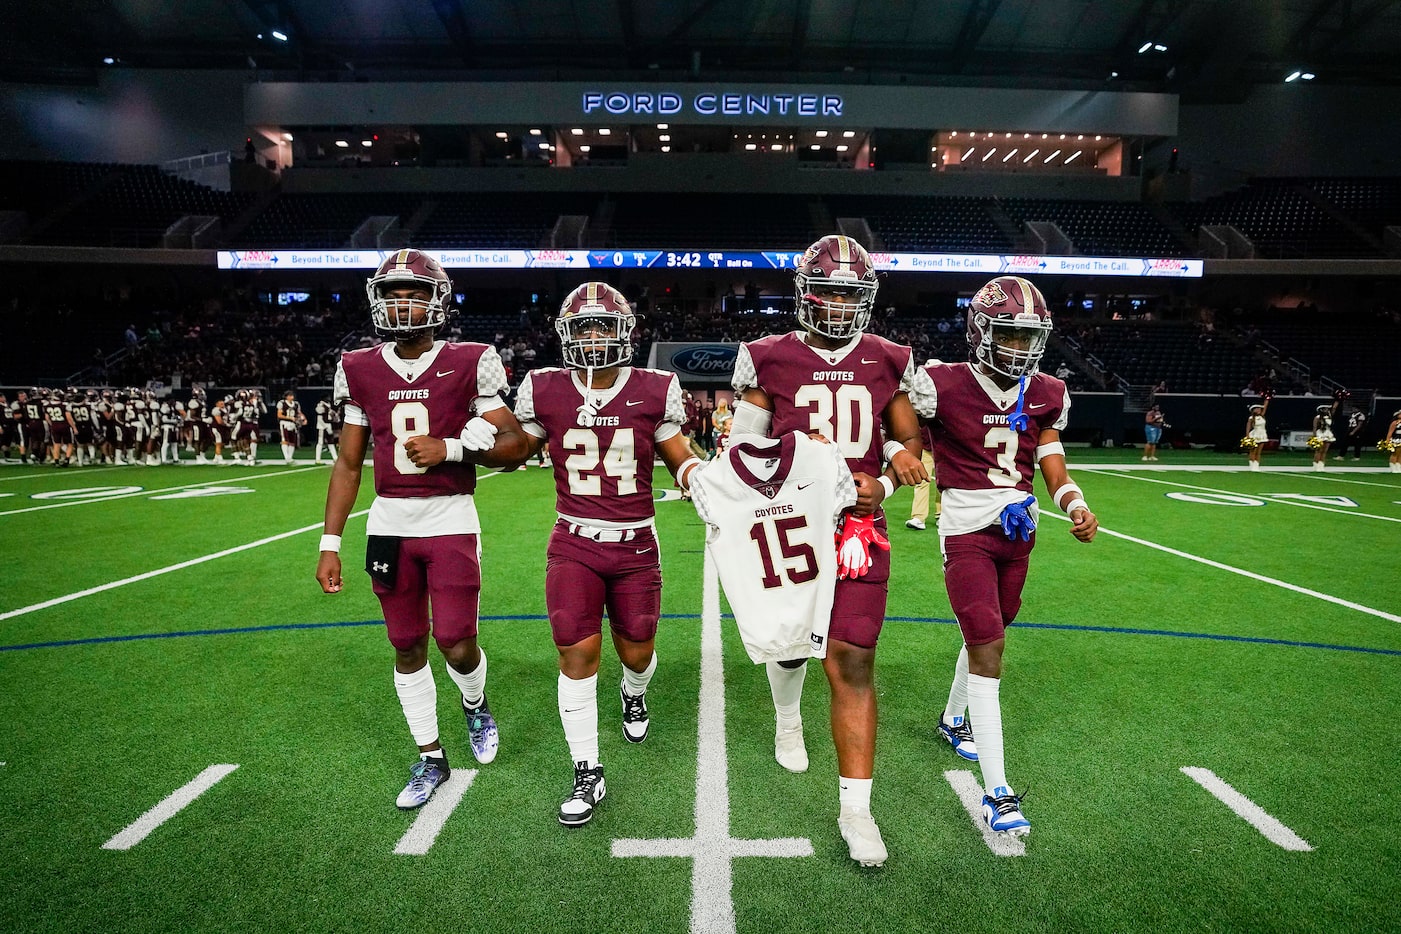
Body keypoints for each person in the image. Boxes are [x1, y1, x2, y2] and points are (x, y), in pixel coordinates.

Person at [729, 234, 928, 867]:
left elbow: (908, 442)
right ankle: (787, 714)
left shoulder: (890, 359)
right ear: (803, 294)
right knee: (791, 647)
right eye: (828, 290)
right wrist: (791, 458)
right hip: (789, 525)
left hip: (857, 529)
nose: (839, 305)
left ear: (867, 299)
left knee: (853, 659)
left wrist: (890, 477)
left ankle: (856, 810)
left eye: (851, 293)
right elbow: (741, 451)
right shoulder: (767, 357)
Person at [316, 249, 529, 810]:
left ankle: (475, 703)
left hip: (451, 517)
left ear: (438, 300)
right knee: (406, 643)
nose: (401, 304)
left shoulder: (472, 360)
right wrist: (330, 542)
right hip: (388, 523)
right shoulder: (357, 366)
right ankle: (431, 756)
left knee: (456, 643)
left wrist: (453, 447)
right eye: (392, 294)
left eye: (412, 293)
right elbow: (348, 464)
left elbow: (514, 448)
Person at [909, 275, 1098, 838]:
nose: (1019, 348)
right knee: (990, 645)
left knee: (990, 631)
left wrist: (1076, 503)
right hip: (966, 530)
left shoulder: (1045, 391)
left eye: (1028, 337)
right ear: (981, 330)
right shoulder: (940, 383)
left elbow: (1052, 464)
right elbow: (910, 442)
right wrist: (895, 473)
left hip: (1019, 532)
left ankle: (951, 718)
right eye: (1010, 335)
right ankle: (998, 790)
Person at [509, 282, 703, 828]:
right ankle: (586, 769)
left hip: (636, 542)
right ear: (566, 336)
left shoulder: (654, 387)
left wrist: (700, 478)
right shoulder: (544, 388)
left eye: (602, 326)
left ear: (623, 332)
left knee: (637, 652)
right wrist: (467, 442)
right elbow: (516, 449)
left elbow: (678, 455)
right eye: (583, 328)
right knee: (576, 656)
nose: (593, 338)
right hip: (573, 540)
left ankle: (634, 692)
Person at [905, 422, 939, 530]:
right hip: (925, 446)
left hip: (942, 447)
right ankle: (919, 518)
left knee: (943, 482)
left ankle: (942, 514)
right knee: (921, 481)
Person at [276, 390, 306, 464]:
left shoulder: (296, 404)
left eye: (292, 395)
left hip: (293, 424)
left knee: (292, 441)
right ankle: (287, 458)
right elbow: (279, 415)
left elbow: (299, 413)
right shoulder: (282, 403)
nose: (292, 397)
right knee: (285, 440)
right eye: (290, 395)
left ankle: (290, 458)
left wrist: (304, 418)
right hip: (285, 423)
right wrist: (289, 418)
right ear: (286, 396)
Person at [1311, 402, 1338, 471]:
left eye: (1327, 409)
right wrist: (1314, 436)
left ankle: (1321, 465)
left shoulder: (1329, 416)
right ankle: (1315, 465)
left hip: (1328, 433)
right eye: (1325, 409)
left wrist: (1337, 400)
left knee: (1325, 451)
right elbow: (1314, 427)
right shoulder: (1317, 418)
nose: (1327, 410)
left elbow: (1334, 408)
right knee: (1319, 450)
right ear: (1321, 410)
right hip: (1320, 434)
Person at [1244, 398, 1270, 471]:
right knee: (1253, 451)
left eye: (1259, 409)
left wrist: (1267, 399)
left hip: (1262, 434)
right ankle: (1251, 466)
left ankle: (1257, 466)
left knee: (1259, 452)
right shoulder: (1251, 418)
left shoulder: (1262, 416)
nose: (1259, 410)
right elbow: (1248, 427)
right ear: (1253, 410)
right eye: (1257, 409)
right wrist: (1247, 436)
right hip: (1255, 434)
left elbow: (1265, 406)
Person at [1385, 409, 1401, 474]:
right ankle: (1393, 467)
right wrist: (1387, 441)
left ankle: (1398, 467)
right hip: (1396, 439)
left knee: (1400, 454)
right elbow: (1390, 433)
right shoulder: (1395, 422)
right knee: (1395, 453)